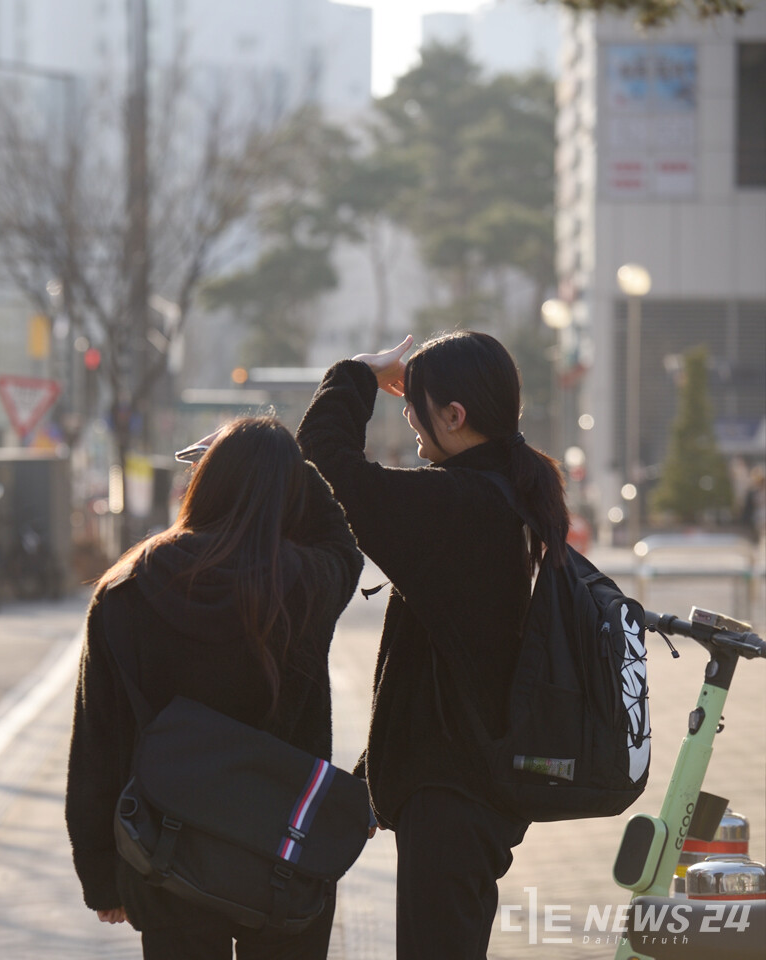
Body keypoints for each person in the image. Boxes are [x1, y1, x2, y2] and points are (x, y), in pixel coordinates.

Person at [296, 330, 569, 960]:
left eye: (415, 406)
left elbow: (325, 465)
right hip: (467, 790)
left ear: (454, 415)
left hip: (454, 799)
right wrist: (376, 770)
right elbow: (449, 652)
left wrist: (357, 374)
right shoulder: (501, 494)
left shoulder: (461, 502)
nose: (408, 418)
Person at [66, 415, 364, 960]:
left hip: (166, 855)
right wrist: (289, 462)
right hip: (287, 857)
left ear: (201, 483)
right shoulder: (304, 585)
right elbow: (342, 541)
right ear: (291, 495)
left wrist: (100, 876)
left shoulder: (126, 589)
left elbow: (97, 743)